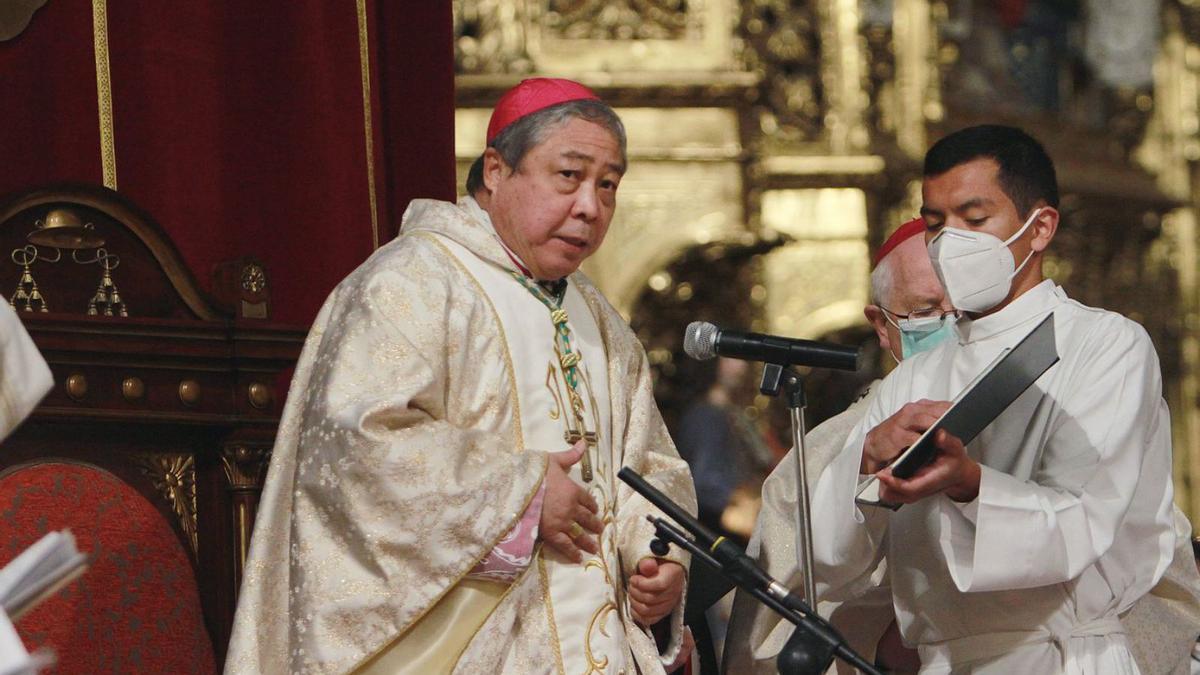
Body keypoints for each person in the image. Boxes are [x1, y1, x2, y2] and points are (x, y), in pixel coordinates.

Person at [224, 78, 696, 674]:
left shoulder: (603, 324)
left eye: (609, 185)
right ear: (496, 170)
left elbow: (650, 467)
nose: (590, 206)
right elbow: (354, 447)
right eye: (569, 176)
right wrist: (519, 495)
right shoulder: (412, 283)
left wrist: (657, 558)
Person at [724, 216, 1200, 673]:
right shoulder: (838, 444)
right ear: (883, 325)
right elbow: (786, 597)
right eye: (928, 312)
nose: (954, 327)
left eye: (967, 310)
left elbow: (1157, 575)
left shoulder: (1068, 401)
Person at [804, 124, 1178, 673]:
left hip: (1064, 655)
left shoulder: (1105, 345)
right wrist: (864, 461)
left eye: (975, 220)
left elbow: (1080, 526)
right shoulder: (913, 377)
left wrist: (968, 485)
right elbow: (829, 562)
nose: (951, 242)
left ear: (1040, 227)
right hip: (943, 660)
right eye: (936, 225)